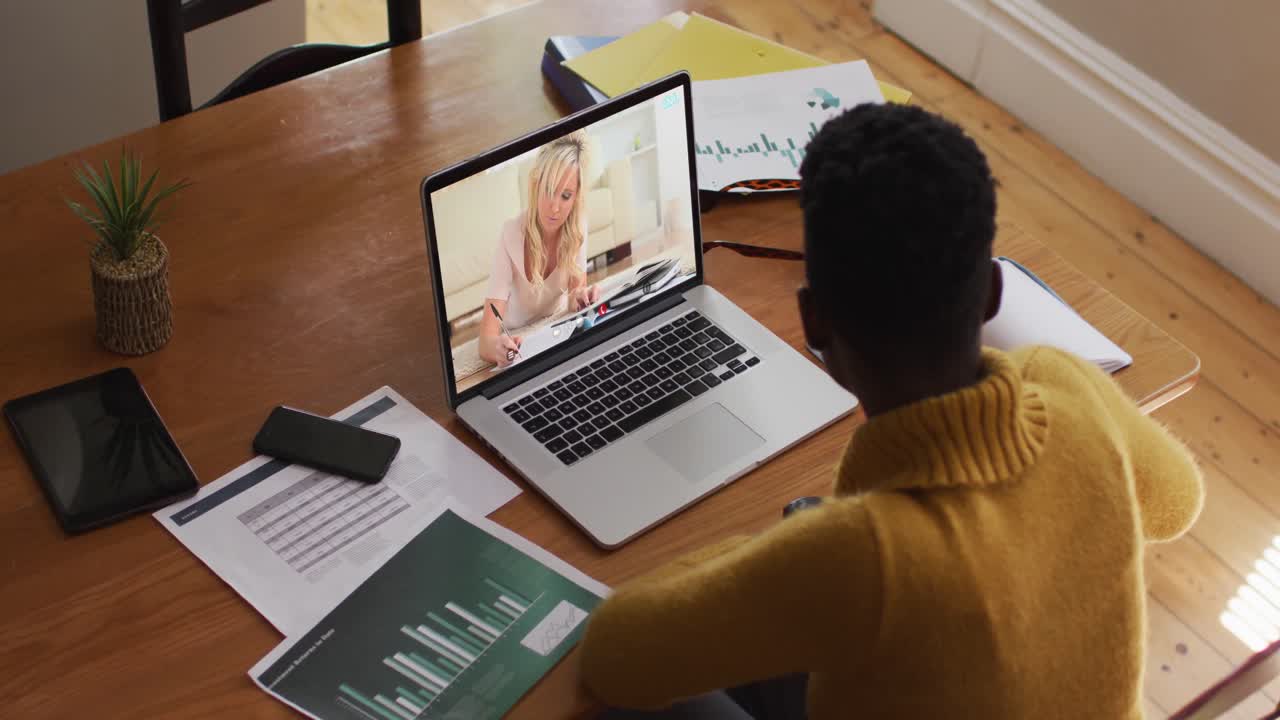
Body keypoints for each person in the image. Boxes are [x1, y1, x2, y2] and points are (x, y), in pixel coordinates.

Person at [578, 104, 1204, 719]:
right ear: (990, 291)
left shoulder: (857, 557)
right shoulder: (1067, 384)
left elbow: (615, 655)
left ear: (813, 319)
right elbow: (1177, 503)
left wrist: (780, 553)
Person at [478, 130, 601, 367]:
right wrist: (498, 348)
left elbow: (575, 297)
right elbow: (485, 340)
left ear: (575, 198)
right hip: (516, 337)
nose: (554, 207)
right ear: (536, 185)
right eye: (548, 190)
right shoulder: (511, 234)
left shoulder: (577, 227)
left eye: (565, 196)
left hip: (553, 332)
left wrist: (582, 298)